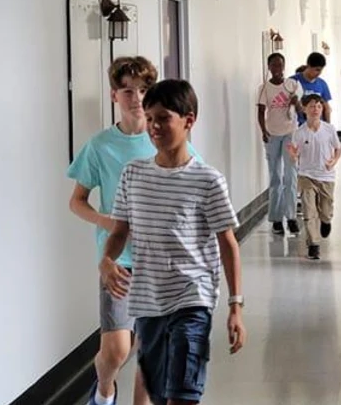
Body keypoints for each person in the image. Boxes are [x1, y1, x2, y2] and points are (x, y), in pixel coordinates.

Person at [100, 79, 247, 405]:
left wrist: (235, 306)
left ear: (188, 120)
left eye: (164, 118)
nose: (154, 126)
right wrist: (107, 260)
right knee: (159, 394)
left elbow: (228, 244)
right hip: (148, 303)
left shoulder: (207, 180)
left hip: (193, 299)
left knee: (182, 395)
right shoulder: (133, 175)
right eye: (150, 118)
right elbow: (119, 232)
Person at [70, 56, 197, 405]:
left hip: (160, 263)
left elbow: (193, 187)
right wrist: (107, 221)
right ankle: (104, 390)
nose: (136, 98)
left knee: (151, 353)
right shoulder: (100, 146)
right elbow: (77, 201)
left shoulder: (167, 137)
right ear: (114, 96)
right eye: (127, 91)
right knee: (116, 350)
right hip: (119, 262)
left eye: (143, 90)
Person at [287, 93, 341, 260]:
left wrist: (334, 160)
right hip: (306, 175)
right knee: (309, 210)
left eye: (319, 106)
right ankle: (313, 244)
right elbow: (294, 153)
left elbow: (338, 148)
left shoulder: (329, 129)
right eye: (311, 106)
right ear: (304, 109)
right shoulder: (299, 132)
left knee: (325, 210)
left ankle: (326, 221)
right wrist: (293, 155)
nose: (315, 109)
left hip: (326, 176)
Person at [256, 53, 302, 236]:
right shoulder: (264, 88)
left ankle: (291, 217)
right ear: (269, 67)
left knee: (290, 175)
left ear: (284, 66)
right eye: (274, 65)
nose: (277, 69)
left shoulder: (292, 85)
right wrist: (263, 131)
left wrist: (296, 102)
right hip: (272, 135)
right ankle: (276, 219)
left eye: (280, 65)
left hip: (290, 133)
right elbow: (261, 111)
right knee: (275, 176)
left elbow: (301, 110)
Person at [293, 52, 333, 125]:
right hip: (298, 126)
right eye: (317, 70)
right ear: (308, 66)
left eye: (321, 70)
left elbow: (327, 108)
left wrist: (328, 126)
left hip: (317, 126)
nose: (319, 73)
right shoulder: (293, 81)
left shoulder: (322, 84)